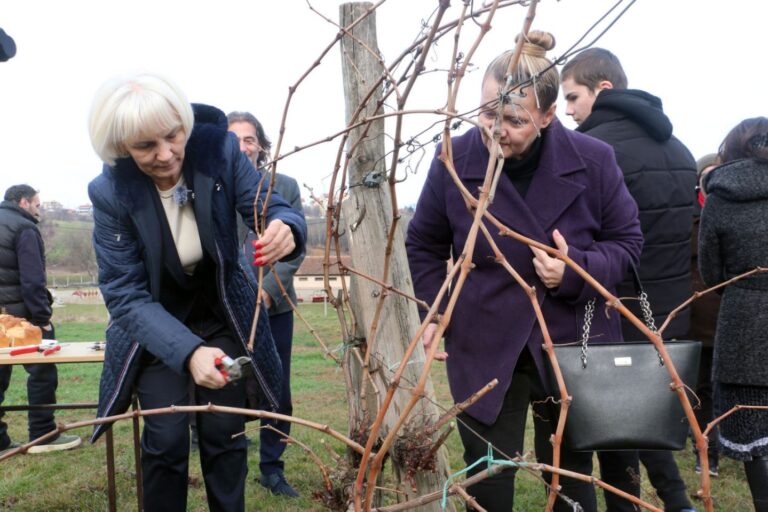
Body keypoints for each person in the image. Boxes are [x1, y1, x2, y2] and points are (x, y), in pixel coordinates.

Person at [405, 31, 642, 512]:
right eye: (487, 114)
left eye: (515, 120)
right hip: (485, 341)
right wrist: (436, 308)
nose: (497, 130)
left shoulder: (594, 161)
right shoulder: (455, 158)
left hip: (571, 343)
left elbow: (628, 244)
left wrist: (573, 271)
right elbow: (424, 242)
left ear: (548, 116)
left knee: (570, 476)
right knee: (488, 477)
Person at [86, 73, 306, 512]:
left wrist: (286, 225)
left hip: (220, 312)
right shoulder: (111, 192)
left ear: (185, 124)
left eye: (173, 136)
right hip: (156, 323)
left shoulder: (218, 152)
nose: (166, 154)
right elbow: (124, 294)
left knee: (224, 431)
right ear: (121, 147)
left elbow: (266, 203)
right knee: (166, 438)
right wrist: (188, 353)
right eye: (146, 146)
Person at [561, 48, 697, 512]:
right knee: (644, 414)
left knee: (614, 420)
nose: (568, 111)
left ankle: (655, 502)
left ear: (603, 89)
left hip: (612, 304)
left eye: (573, 97)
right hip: (668, 307)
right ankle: (676, 501)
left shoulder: (594, 152)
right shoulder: (678, 148)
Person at [227, 110, 306, 497]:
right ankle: (231, 462)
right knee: (230, 387)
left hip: (274, 307)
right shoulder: (213, 188)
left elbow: (294, 249)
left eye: (250, 139)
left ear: (261, 146)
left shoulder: (284, 186)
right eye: (234, 139)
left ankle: (272, 468)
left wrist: (268, 289)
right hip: (227, 309)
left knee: (277, 387)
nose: (243, 147)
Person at [698, 116, 768, 512]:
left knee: (754, 438)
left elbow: (711, 273)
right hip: (745, 320)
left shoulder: (721, 195)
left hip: (743, 325)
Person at [0, 185, 82, 455]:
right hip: (22, 319)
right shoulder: (24, 228)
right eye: (37, 204)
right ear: (23, 202)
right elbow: (32, 279)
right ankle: (42, 434)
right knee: (43, 373)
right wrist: (43, 318)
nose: (40, 209)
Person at [690, 153, 721, 477]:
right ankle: (706, 452)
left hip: (729, 315)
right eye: (706, 175)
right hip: (697, 317)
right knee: (701, 387)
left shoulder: (732, 211)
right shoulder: (687, 218)